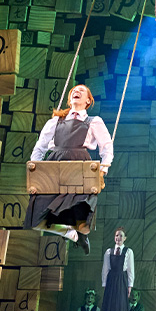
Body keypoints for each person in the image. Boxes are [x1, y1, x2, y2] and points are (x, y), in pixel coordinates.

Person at [24, 84, 111, 254]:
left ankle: (79, 232)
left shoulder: (94, 121)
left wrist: (103, 169)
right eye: (74, 91)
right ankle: (71, 234)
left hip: (80, 169)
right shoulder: (55, 121)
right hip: (54, 169)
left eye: (82, 90)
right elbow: (40, 148)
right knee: (36, 221)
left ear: (88, 101)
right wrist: (36, 173)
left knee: (82, 222)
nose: (76, 92)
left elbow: (107, 147)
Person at [101, 228, 135, 311]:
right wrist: (104, 284)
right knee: (111, 309)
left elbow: (130, 270)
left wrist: (130, 286)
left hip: (122, 280)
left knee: (120, 309)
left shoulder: (128, 252)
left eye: (121, 236)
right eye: (116, 235)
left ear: (124, 238)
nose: (118, 238)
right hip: (111, 280)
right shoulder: (108, 251)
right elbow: (105, 269)